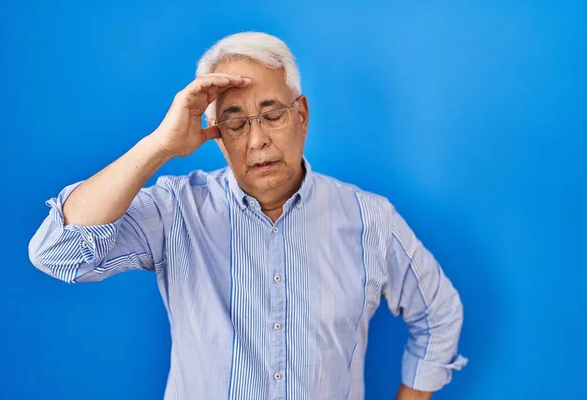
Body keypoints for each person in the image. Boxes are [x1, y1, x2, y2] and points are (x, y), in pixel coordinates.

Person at [28, 31, 467, 400]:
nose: (257, 140)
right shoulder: (177, 210)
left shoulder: (369, 218)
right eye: (235, 124)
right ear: (215, 137)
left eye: (272, 114)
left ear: (302, 116)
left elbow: (439, 314)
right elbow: (57, 252)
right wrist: (159, 145)